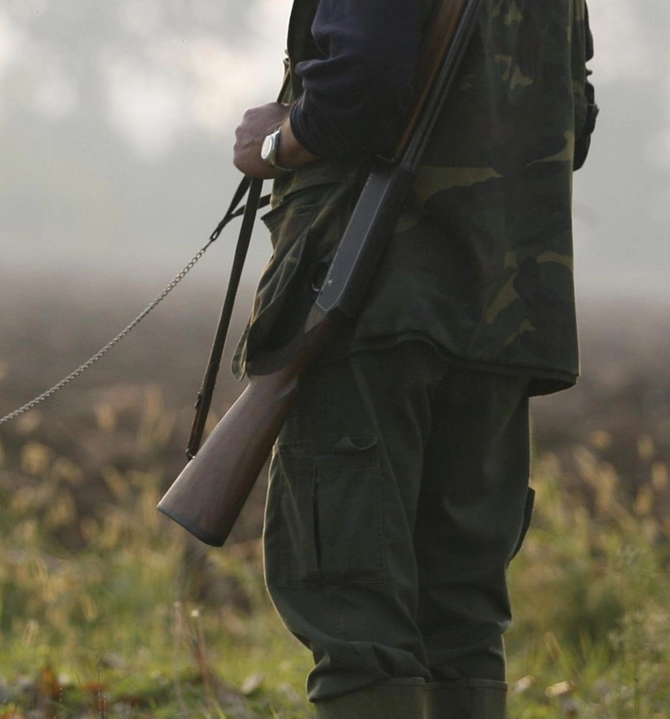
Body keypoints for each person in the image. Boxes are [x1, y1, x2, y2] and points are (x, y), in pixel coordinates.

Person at [228, 0, 598, 718]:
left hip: (368, 303)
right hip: (505, 306)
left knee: (356, 613)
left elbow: (358, 94)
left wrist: (275, 143)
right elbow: (569, 120)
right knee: (461, 621)